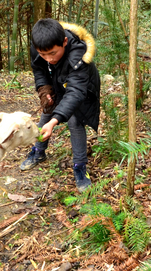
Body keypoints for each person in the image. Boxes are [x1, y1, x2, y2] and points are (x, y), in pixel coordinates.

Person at [20, 18, 101, 192]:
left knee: (74, 121)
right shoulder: (39, 46)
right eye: (43, 54)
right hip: (58, 82)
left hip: (82, 88)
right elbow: (39, 69)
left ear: (64, 42)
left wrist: (55, 121)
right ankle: (38, 151)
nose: (49, 59)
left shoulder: (79, 55)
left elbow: (75, 92)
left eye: (53, 53)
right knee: (47, 112)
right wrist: (44, 90)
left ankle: (80, 167)